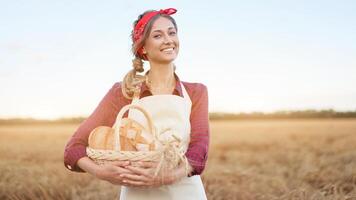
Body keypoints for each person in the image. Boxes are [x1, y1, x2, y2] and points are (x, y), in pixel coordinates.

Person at [64, 8, 209, 200]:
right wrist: (102, 172)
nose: (168, 40)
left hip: (186, 193)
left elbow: (199, 151)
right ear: (143, 48)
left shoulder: (196, 92)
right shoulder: (122, 92)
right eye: (158, 35)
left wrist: (168, 176)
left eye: (171, 32)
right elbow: (73, 148)